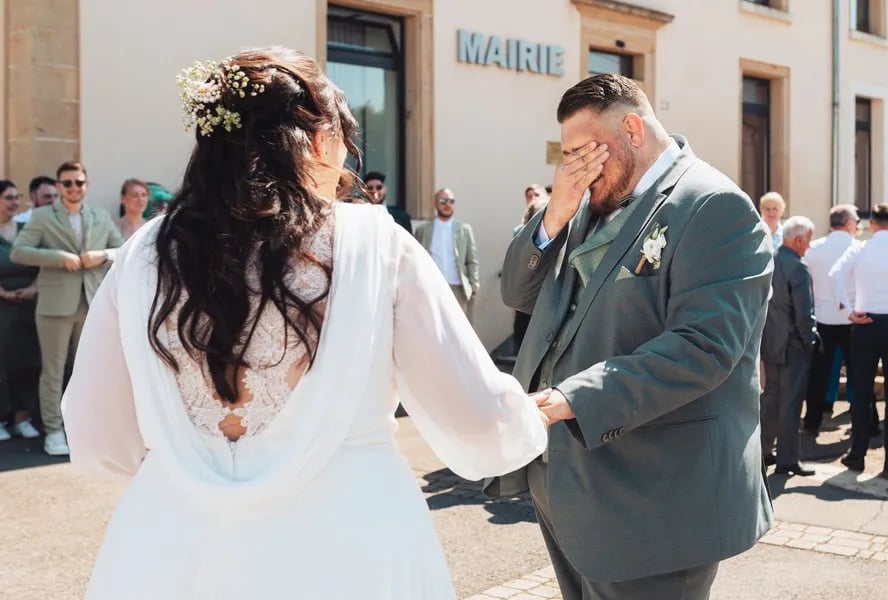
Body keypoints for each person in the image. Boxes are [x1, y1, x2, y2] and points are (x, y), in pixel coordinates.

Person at [60, 47, 547, 599]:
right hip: (347, 544)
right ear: (317, 142)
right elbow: (479, 424)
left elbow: (97, 437)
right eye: (345, 143)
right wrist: (534, 413)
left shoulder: (143, 252)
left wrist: (182, 461)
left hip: (172, 549)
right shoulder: (375, 244)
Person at [488, 73, 773, 599]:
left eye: (584, 151)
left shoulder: (715, 207)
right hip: (570, 484)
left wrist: (569, 398)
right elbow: (516, 291)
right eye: (567, 155)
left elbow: (703, 348)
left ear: (634, 129)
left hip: (654, 499)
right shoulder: (585, 200)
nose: (575, 167)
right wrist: (555, 211)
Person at [11, 161, 123, 456]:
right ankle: (53, 431)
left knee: (90, 369)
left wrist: (102, 254)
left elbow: (123, 251)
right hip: (55, 306)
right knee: (54, 370)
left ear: (86, 185)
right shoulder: (43, 216)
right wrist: (58, 257)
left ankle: (87, 429)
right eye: (68, 183)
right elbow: (19, 252)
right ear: (59, 186)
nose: (74, 188)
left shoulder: (99, 216)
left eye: (79, 182)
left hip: (92, 303)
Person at [830, 203, 888, 473]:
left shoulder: (860, 248)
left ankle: (857, 453)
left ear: (872, 224)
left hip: (866, 322)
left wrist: (847, 309)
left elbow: (835, 274)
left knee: (861, 391)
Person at [760, 216, 818, 476]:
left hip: (770, 341)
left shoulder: (768, 259)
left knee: (771, 398)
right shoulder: (798, 267)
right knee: (790, 403)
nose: (809, 246)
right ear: (798, 239)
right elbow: (804, 313)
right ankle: (787, 459)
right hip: (793, 344)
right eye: (808, 240)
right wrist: (810, 341)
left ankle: (762, 451)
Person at [802, 204, 860, 433]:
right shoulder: (858, 249)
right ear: (847, 223)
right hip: (852, 318)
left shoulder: (813, 249)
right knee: (859, 372)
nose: (858, 224)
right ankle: (867, 422)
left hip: (823, 317)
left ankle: (812, 420)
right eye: (856, 220)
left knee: (818, 373)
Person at [0, 180, 41, 441]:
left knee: (28, 361)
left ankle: (23, 418)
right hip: (1, 307)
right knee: (2, 363)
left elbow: (42, 264)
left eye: (17, 197)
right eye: (8, 197)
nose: (15, 202)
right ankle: (2, 419)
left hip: (29, 306)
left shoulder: (28, 230)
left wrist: (34, 289)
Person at [414, 189, 479, 320]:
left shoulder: (464, 229)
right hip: (432, 288)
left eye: (451, 201)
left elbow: (471, 260)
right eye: (443, 201)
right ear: (435, 204)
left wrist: (473, 284)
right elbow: (417, 260)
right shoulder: (423, 230)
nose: (447, 204)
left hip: (457, 288)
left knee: (458, 331)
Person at [513, 184, 549, 353]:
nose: (533, 197)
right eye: (530, 195)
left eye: (537, 194)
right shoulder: (521, 232)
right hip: (528, 300)